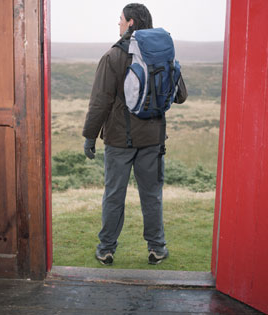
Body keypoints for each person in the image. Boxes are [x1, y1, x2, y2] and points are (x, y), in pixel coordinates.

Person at [82, 3, 187, 266]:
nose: (118, 24)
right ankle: (157, 249)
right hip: (153, 140)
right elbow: (181, 95)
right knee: (151, 196)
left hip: (119, 141)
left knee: (114, 195)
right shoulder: (163, 53)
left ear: (130, 23)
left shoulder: (113, 56)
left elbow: (100, 102)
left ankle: (106, 249)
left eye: (120, 20)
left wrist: (89, 136)